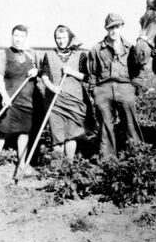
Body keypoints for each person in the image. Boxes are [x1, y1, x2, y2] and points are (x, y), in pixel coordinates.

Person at [87, 13, 145, 158]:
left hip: (125, 88)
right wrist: (94, 91)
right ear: (106, 29)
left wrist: (135, 88)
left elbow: (138, 71)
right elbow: (92, 73)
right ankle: (108, 159)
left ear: (121, 28)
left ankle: (135, 157)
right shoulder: (96, 49)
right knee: (105, 125)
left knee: (130, 123)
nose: (114, 31)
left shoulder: (131, 48)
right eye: (110, 28)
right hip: (104, 90)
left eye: (117, 27)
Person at [0, 24, 39, 177]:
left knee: (24, 131)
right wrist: (4, 96)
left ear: (26, 38)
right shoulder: (4, 55)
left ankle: (22, 163)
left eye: (21, 36)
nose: (18, 39)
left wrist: (36, 71)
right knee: (1, 130)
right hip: (9, 99)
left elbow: (40, 71)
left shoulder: (31, 54)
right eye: (16, 36)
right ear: (12, 36)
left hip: (26, 100)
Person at [41, 25, 91, 161]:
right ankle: (58, 167)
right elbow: (44, 75)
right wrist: (52, 87)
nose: (61, 41)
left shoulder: (80, 55)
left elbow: (87, 77)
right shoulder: (49, 55)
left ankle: (68, 165)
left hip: (75, 101)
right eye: (58, 38)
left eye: (64, 38)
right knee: (57, 135)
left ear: (69, 38)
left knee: (71, 134)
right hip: (55, 101)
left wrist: (72, 72)